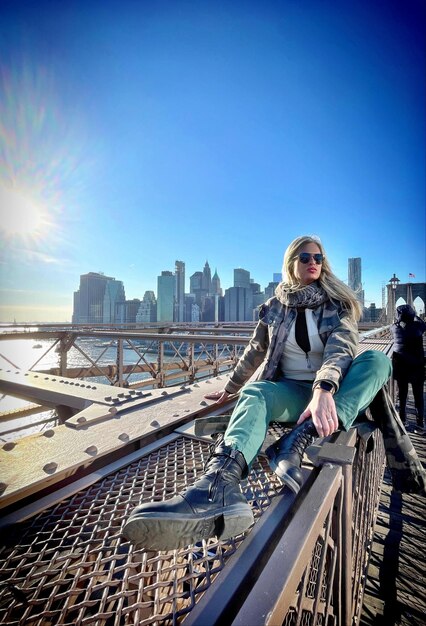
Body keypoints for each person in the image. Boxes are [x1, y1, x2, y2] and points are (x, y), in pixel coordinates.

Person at [122, 235, 392, 551]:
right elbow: (255, 351)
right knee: (255, 394)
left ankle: (301, 436)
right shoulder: (273, 308)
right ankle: (217, 488)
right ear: (292, 263)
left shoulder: (338, 305)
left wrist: (324, 388)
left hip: (333, 393)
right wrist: (229, 388)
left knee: (378, 360)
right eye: (305, 258)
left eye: (318, 258)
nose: (313, 263)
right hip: (292, 392)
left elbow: (341, 348)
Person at [391, 304, 426, 432]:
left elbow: (394, 324)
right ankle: (420, 425)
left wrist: (398, 320)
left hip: (401, 368)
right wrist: (415, 315)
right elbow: (422, 322)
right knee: (418, 397)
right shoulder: (419, 327)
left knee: (402, 395)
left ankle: (403, 421)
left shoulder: (394, 328)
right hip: (417, 368)